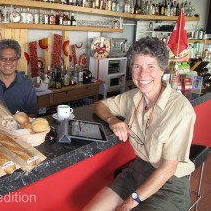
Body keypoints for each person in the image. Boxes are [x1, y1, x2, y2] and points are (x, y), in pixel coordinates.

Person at [83, 37, 196, 211]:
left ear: (162, 69)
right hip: (137, 171)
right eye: (137, 67)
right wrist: (112, 120)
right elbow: (99, 105)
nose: (143, 74)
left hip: (169, 184)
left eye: (151, 67)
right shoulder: (133, 97)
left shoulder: (180, 109)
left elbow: (167, 169)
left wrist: (130, 202)